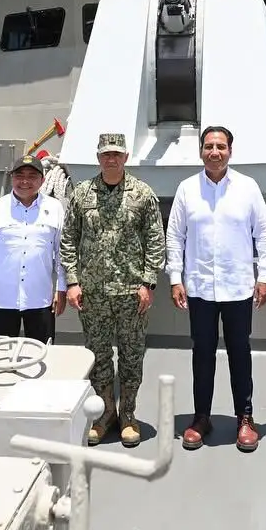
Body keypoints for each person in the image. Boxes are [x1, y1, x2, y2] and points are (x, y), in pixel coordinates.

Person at [166, 125, 266, 452]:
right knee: (202, 353)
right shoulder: (187, 189)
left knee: (240, 353)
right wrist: (175, 278)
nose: (215, 152)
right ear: (201, 150)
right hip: (199, 288)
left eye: (221, 146)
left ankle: (245, 417)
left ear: (230, 151)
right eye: (209, 146)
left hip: (238, 286)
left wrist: (265, 275)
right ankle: (202, 417)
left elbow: (263, 235)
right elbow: (175, 236)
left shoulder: (248, 187)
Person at [61, 132, 165, 448]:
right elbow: (68, 239)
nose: (111, 159)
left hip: (131, 292)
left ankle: (129, 415)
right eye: (106, 154)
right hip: (92, 293)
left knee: (132, 356)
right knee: (99, 356)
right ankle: (106, 415)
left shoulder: (143, 194)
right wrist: (72, 281)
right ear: (98, 157)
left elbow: (155, 241)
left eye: (116, 154)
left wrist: (148, 282)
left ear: (125, 156)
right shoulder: (81, 194)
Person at [0, 153, 67, 343]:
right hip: (0, 302)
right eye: (19, 176)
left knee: (42, 361)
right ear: (11, 177)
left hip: (40, 301)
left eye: (32, 176)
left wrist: (61, 288)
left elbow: (61, 253)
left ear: (42, 179)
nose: (25, 181)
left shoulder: (55, 209)